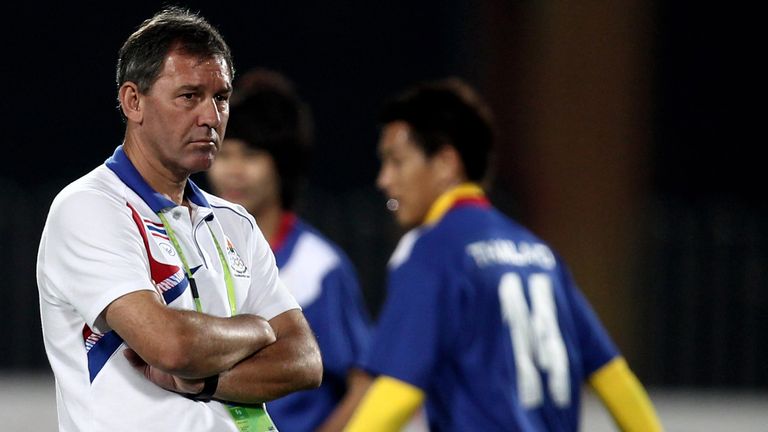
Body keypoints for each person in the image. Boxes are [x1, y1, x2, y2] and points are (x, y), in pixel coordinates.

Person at [36, 7, 322, 432]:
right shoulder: (88, 208)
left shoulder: (234, 222)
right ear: (133, 101)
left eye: (220, 98)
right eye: (189, 96)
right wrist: (260, 329)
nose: (211, 117)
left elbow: (304, 361)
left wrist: (203, 382)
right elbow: (170, 346)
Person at [344, 78, 663, 431]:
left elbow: (399, 389)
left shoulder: (432, 251)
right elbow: (613, 376)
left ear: (447, 162)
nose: (384, 179)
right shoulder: (539, 253)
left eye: (397, 161)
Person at [206, 69, 372, 431]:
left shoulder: (319, 268)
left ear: (281, 164)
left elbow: (363, 387)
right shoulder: (191, 253)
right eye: (223, 154)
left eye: (249, 155)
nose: (232, 170)